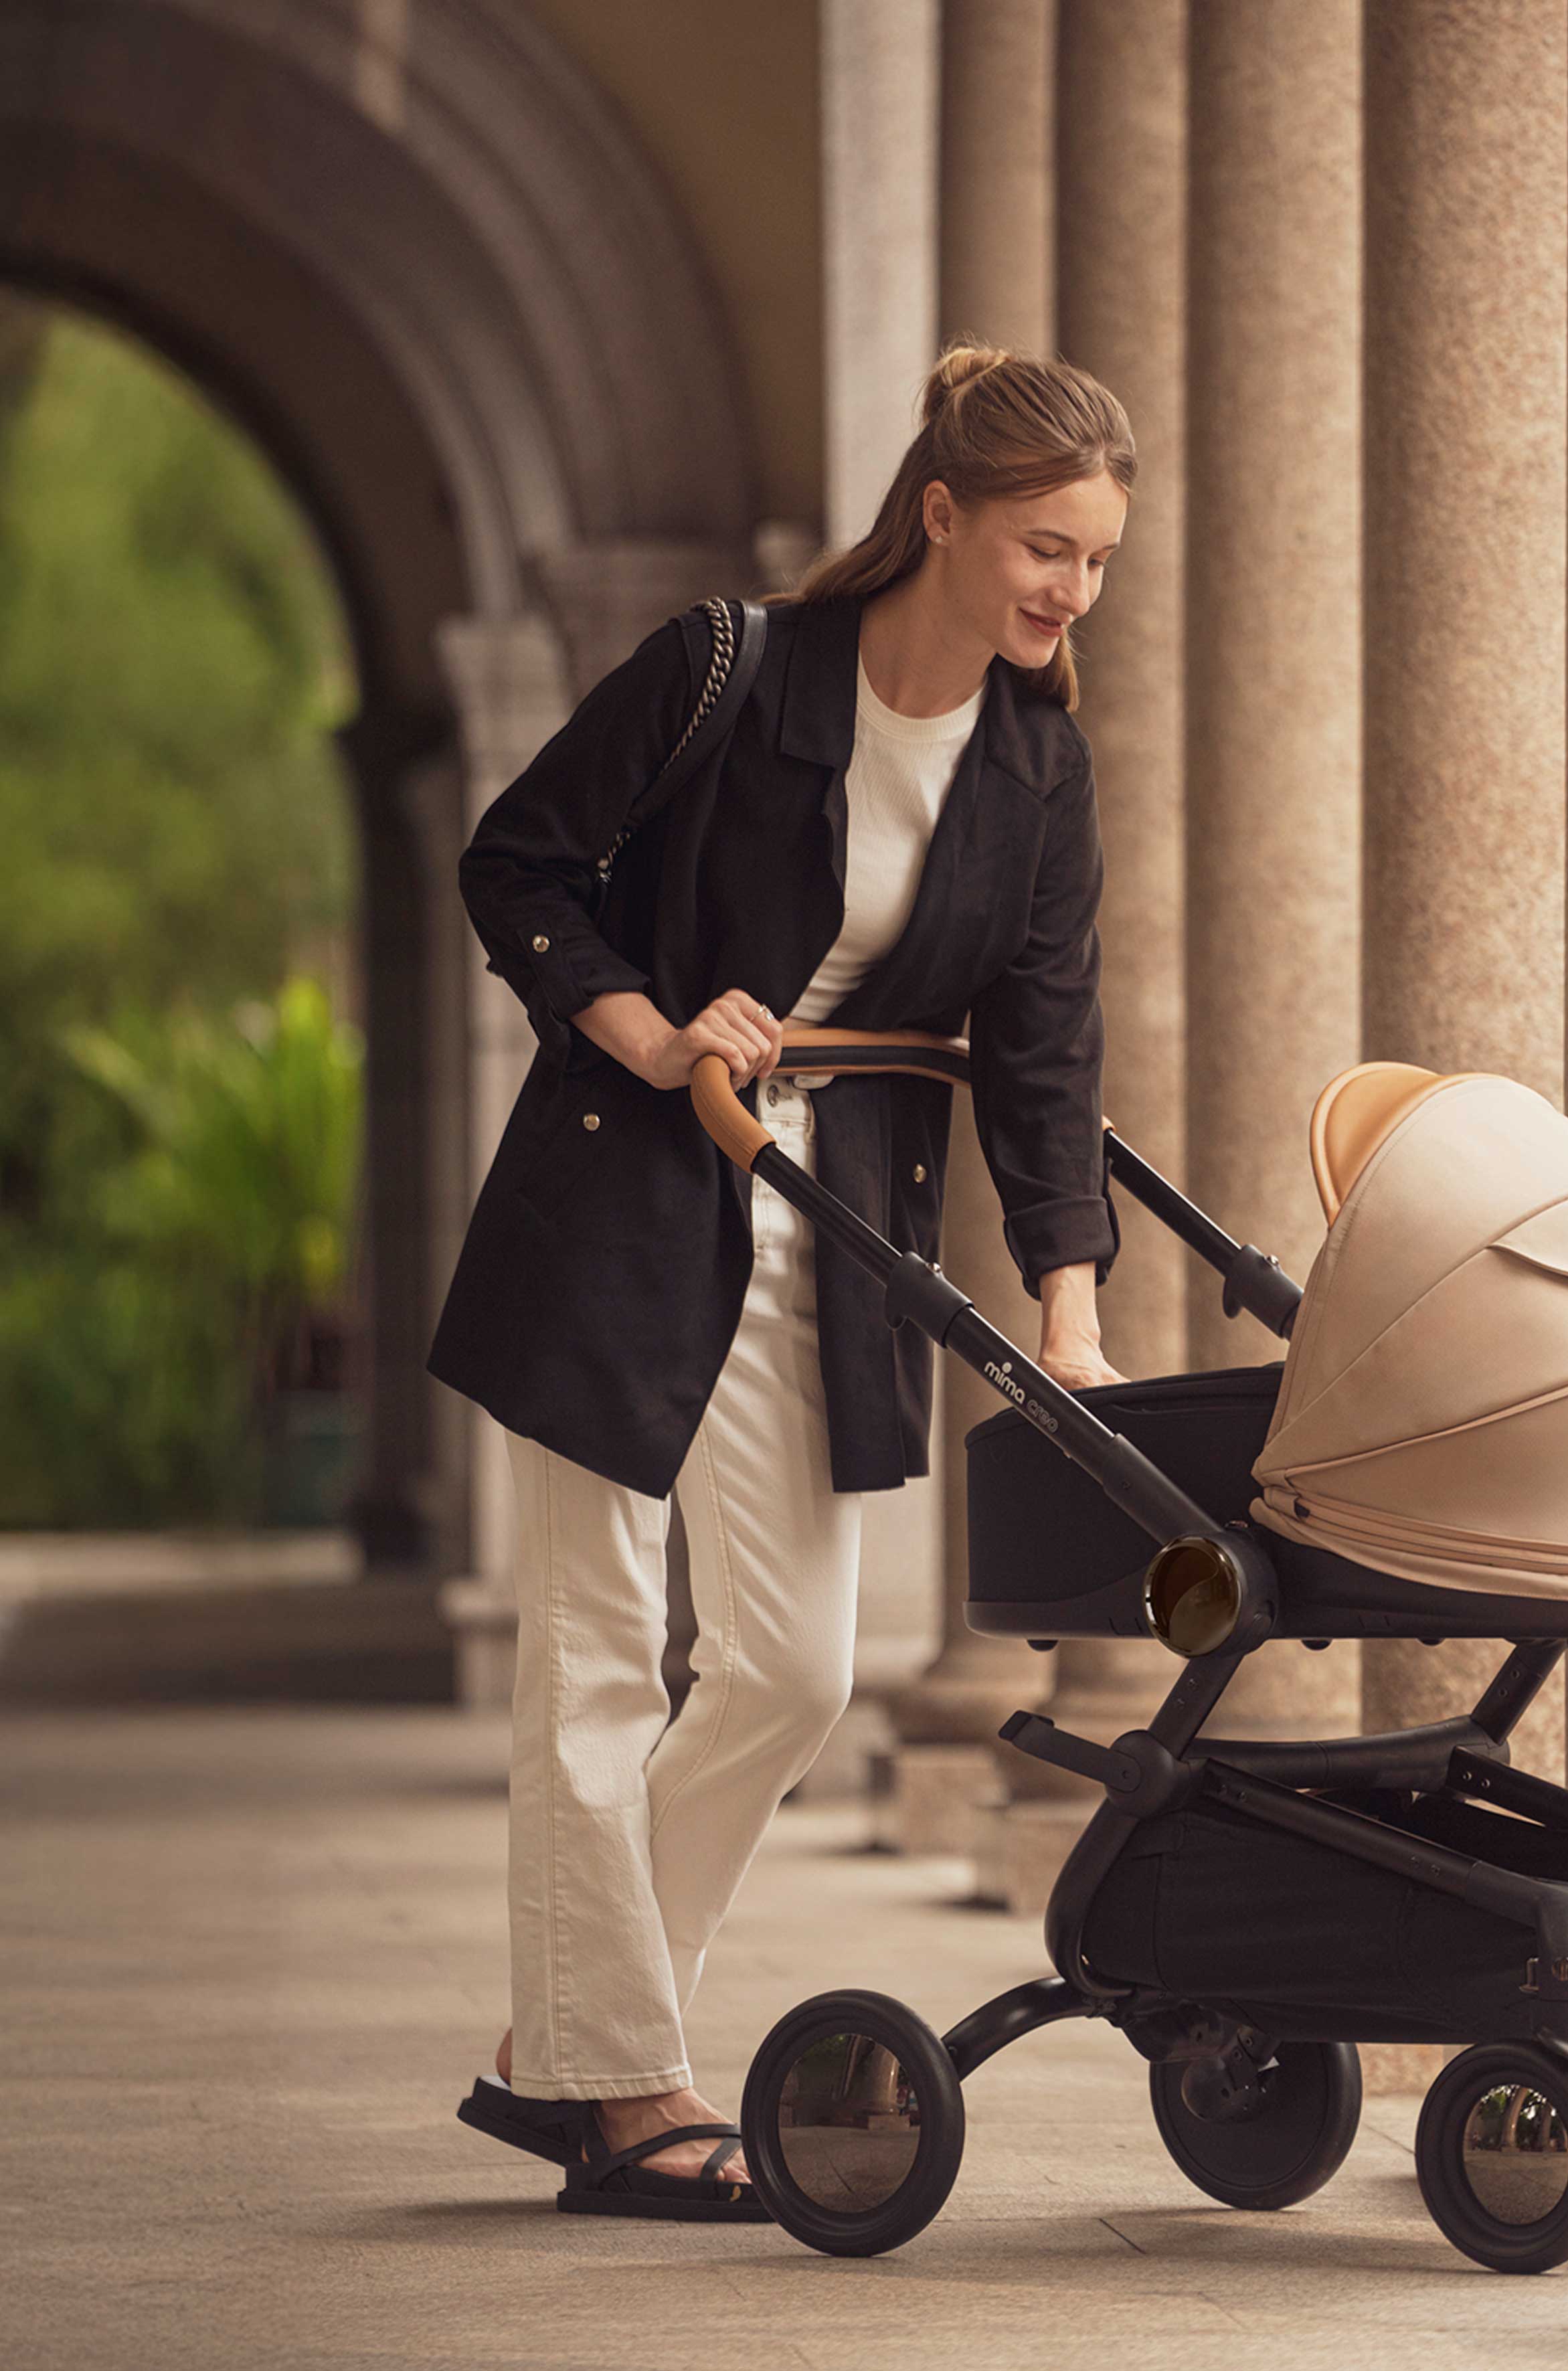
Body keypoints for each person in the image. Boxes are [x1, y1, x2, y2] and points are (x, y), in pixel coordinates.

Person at [430, 345, 1134, 2220]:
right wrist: (649, 1029)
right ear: (944, 517)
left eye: (1096, 561)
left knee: (794, 1672)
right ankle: (633, 2091)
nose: (1070, 591)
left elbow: (1043, 1047)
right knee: (594, 1654)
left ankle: (562, 2048)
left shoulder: (1038, 762)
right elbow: (517, 863)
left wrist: (1068, 1303)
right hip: (620, 1204)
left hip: (833, 1233)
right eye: (1045, 547)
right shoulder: (728, 671)